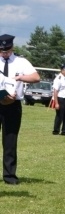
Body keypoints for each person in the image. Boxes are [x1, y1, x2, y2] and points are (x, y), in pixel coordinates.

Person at [0, 34, 41, 185]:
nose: (4, 53)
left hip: (13, 105)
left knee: (10, 140)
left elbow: (36, 77)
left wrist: (20, 78)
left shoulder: (21, 62)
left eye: (7, 50)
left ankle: (9, 175)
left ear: (12, 48)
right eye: (1, 50)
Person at [52, 63, 65, 136]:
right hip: (60, 99)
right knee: (59, 115)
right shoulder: (58, 79)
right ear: (62, 70)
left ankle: (64, 131)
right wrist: (56, 103)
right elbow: (55, 91)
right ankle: (56, 130)